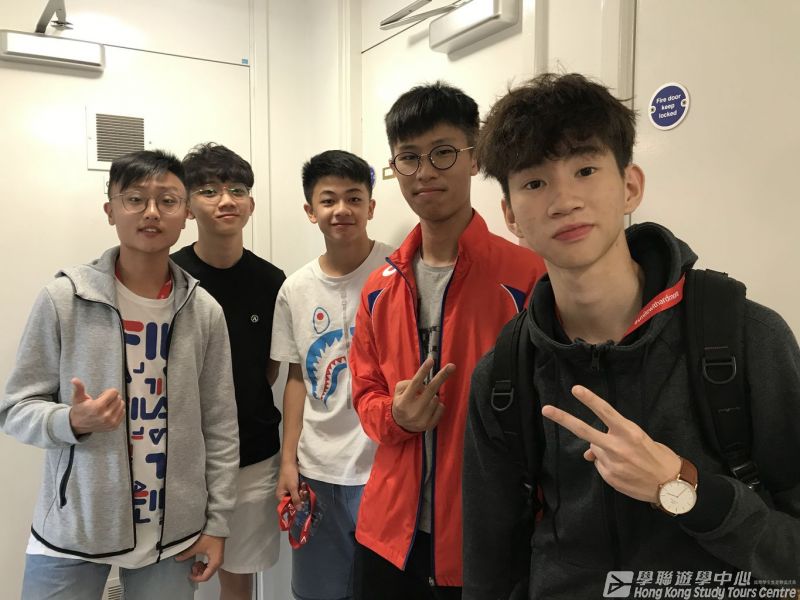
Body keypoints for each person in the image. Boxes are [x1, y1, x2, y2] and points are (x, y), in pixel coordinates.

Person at [462, 73, 800, 599]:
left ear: (630, 187)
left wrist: (682, 487)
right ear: (510, 216)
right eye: (534, 183)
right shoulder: (504, 375)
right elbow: (490, 564)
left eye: (585, 169)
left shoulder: (745, 339)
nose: (564, 200)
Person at [1, 149, 239, 599]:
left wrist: (217, 524)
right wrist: (71, 421)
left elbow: (221, 425)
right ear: (110, 209)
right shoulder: (64, 298)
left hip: (173, 535)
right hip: (75, 528)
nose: (151, 212)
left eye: (167, 200)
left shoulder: (203, 310)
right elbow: (15, 409)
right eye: (134, 199)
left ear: (186, 213)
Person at [348, 82, 547, 599]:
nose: (424, 172)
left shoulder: (526, 276)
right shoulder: (379, 286)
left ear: (474, 157)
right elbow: (365, 394)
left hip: (484, 535)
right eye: (408, 158)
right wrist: (397, 417)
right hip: (389, 535)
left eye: (442, 152)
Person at [270, 149, 392, 600]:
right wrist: (288, 462)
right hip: (317, 470)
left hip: (384, 467)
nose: (342, 209)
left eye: (354, 198)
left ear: (370, 207)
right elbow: (297, 379)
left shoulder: (399, 271)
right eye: (328, 200)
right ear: (311, 211)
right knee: (318, 592)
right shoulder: (295, 289)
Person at [171, 143, 286, 600]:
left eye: (237, 190)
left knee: (237, 578)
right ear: (187, 206)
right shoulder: (170, 276)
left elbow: (269, 370)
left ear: (250, 205)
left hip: (253, 455)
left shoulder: (272, 281)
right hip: (180, 458)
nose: (225, 200)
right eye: (209, 190)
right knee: (170, 579)